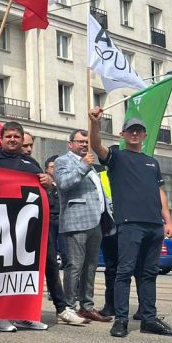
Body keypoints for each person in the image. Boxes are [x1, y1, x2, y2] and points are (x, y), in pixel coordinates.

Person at [88, 111, 172, 338]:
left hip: (154, 225)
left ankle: (149, 319)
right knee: (124, 272)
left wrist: (168, 221)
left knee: (149, 273)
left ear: (145, 135)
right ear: (123, 134)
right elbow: (96, 145)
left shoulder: (152, 162)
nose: (135, 134)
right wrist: (94, 123)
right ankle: (121, 320)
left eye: (139, 131)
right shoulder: (117, 157)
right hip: (130, 224)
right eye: (131, 131)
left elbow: (159, 192)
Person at [0, 121, 55, 333]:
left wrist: (48, 182)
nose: (12, 140)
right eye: (8, 136)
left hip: (25, 230)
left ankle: (24, 315)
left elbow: (44, 191)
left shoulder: (31, 163)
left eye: (16, 137)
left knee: (24, 272)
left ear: (22, 140)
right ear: (1, 139)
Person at [54, 129, 111, 323]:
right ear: (70, 144)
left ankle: (86, 306)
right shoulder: (63, 161)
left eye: (87, 142)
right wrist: (83, 166)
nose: (85, 144)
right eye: (80, 141)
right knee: (75, 266)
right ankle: (68, 307)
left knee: (91, 266)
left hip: (95, 220)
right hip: (76, 221)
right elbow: (63, 183)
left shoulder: (91, 164)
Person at [44, 157, 85, 326]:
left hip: (63, 221)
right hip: (48, 222)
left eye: (56, 167)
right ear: (46, 169)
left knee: (70, 260)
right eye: (51, 167)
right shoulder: (42, 183)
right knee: (51, 260)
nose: (54, 170)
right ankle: (56, 296)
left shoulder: (62, 183)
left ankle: (70, 298)